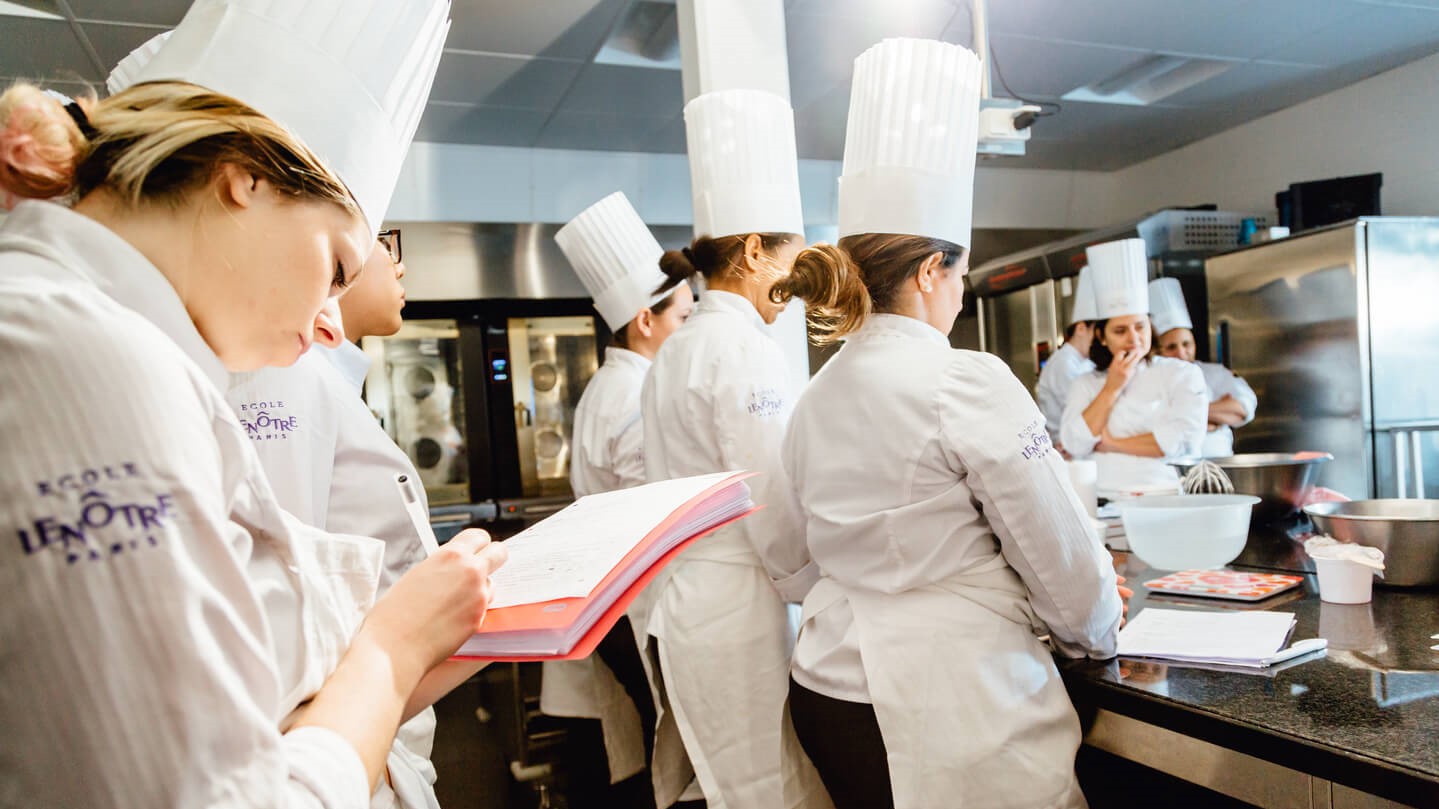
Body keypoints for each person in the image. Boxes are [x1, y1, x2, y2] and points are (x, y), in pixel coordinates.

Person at [0, 3, 509, 808]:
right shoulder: (79, 353)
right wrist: (389, 652)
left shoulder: (108, 343)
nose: (329, 323)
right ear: (246, 176)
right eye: (336, 266)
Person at [771, 38, 1124, 809]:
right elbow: (1060, 560)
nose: (962, 291)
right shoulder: (964, 379)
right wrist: (1097, 628)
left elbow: (785, 557)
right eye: (960, 271)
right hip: (941, 700)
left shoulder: (814, 395)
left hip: (826, 689)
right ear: (931, 270)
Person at [224, 231, 467, 809]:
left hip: (367, 743)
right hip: (336, 758)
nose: (400, 267)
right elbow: (286, 620)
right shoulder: (284, 375)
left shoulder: (327, 379)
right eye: (384, 241)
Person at [640, 87, 827, 809]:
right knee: (768, 791)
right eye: (792, 260)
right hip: (738, 609)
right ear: (753, 253)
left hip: (688, 602)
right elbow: (769, 501)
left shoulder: (677, 349)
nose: (797, 282)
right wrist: (819, 589)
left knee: (736, 788)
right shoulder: (743, 351)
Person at [544, 191, 695, 807]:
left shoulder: (609, 385)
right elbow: (650, 512)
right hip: (633, 605)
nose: (689, 331)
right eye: (683, 317)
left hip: (611, 604)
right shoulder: (633, 396)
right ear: (645, 322)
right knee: (663, 747)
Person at [1059, 238, 1209, 494]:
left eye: (1140, 326)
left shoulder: (1182, 374)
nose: (1134, 338)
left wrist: (1111, 443)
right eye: (1120, 331)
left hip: (1166, 496)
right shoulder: (1085, 383)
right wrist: (1112, 388)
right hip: (1103, 499)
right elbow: (1074, 443)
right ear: (1102, 337)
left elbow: (1184, 440)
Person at [1149, 277, 1258, 458]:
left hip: (1220, 465)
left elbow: (1242, 410)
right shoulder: (1149, 379)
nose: (1181, 353)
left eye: (1186, 344)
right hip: (1173, 468)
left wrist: (1182, 417)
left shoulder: (1214, 373)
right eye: (1171, 347)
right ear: (1156, 351)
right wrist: (1213, 413)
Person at [1036, 265, 1098, 451]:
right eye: (1097, 333)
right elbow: (1083, 414)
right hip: (1066, 450)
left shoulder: (1085, 362)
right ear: (1081, 328)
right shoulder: (1063, 363)